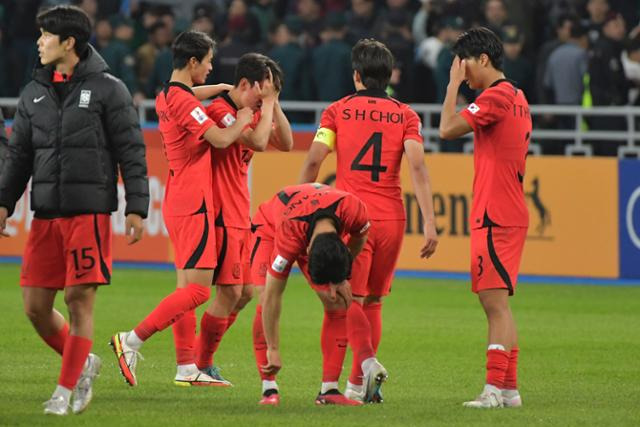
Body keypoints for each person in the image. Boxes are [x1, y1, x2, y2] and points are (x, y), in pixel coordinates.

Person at [0, 5, 149, 415]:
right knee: (34, 307)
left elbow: (131, 150)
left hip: (90, 213)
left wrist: (137, 206)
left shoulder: (109, 89)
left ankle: (65, 392)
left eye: (46, 35)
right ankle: (82, 361)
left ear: (69, 43)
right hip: (46, 215)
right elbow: (18, 156)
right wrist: (3, 200)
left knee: (78, 299)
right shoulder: (32, 93)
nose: (39, 42)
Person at [109, 30, 253, 388]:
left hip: (179, 196)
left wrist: (218, 87)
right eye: (207, 62)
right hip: (195, 201)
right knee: (200, 291)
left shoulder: (167, 94)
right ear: (192, 62)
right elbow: (220, 138)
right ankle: (131, 340)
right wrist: (244, 119)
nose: (211, 66)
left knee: (184, 285)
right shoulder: (184, 102)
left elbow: (190, 94)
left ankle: (187, 368)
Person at [299, 38, 439, 403]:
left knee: (345, 302)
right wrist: (430, 222)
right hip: (392, 218)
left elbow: (315, 159)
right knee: (373, 302)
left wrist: (300, 204)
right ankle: (358, 387)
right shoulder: (407, 115)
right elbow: (418, 165)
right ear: (389, 75)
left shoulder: (337, 111)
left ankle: (331, 386)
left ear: (356, 75)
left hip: (352, 217)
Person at [178, 53, 293, 386]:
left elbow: (285, 143)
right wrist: (267, 106)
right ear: (245, 84)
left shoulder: (252, 110)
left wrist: (274, 101)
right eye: (261, 93)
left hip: (239, 212)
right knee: (229, 293)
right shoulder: (220, 112)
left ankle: (201, 360)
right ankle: (199, 363)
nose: (263, 102)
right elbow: (258, 141)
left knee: (243, 293)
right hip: (219, 211)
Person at [439, 27, 530, 408]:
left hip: (495, 213)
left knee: (494, 303)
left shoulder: (495, 97)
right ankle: (508, 389)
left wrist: (451, 86)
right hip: (506, 210)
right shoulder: (518, 96)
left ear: (483, 60)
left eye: (464, 66)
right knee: (499, 302)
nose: (464, 75)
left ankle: (493, 390)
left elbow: (446, 129)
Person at [255, 183, 376, 406]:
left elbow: (359, 238)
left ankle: (328, 392)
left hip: (310, 222)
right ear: (307, 253)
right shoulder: (288, 239)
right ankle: (269, 389)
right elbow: (274, 295)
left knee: (337, 303)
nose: (330, 290)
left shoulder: (354, 210)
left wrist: (342, 275)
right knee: (263, 297)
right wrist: (274, 347)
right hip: (271, 227)